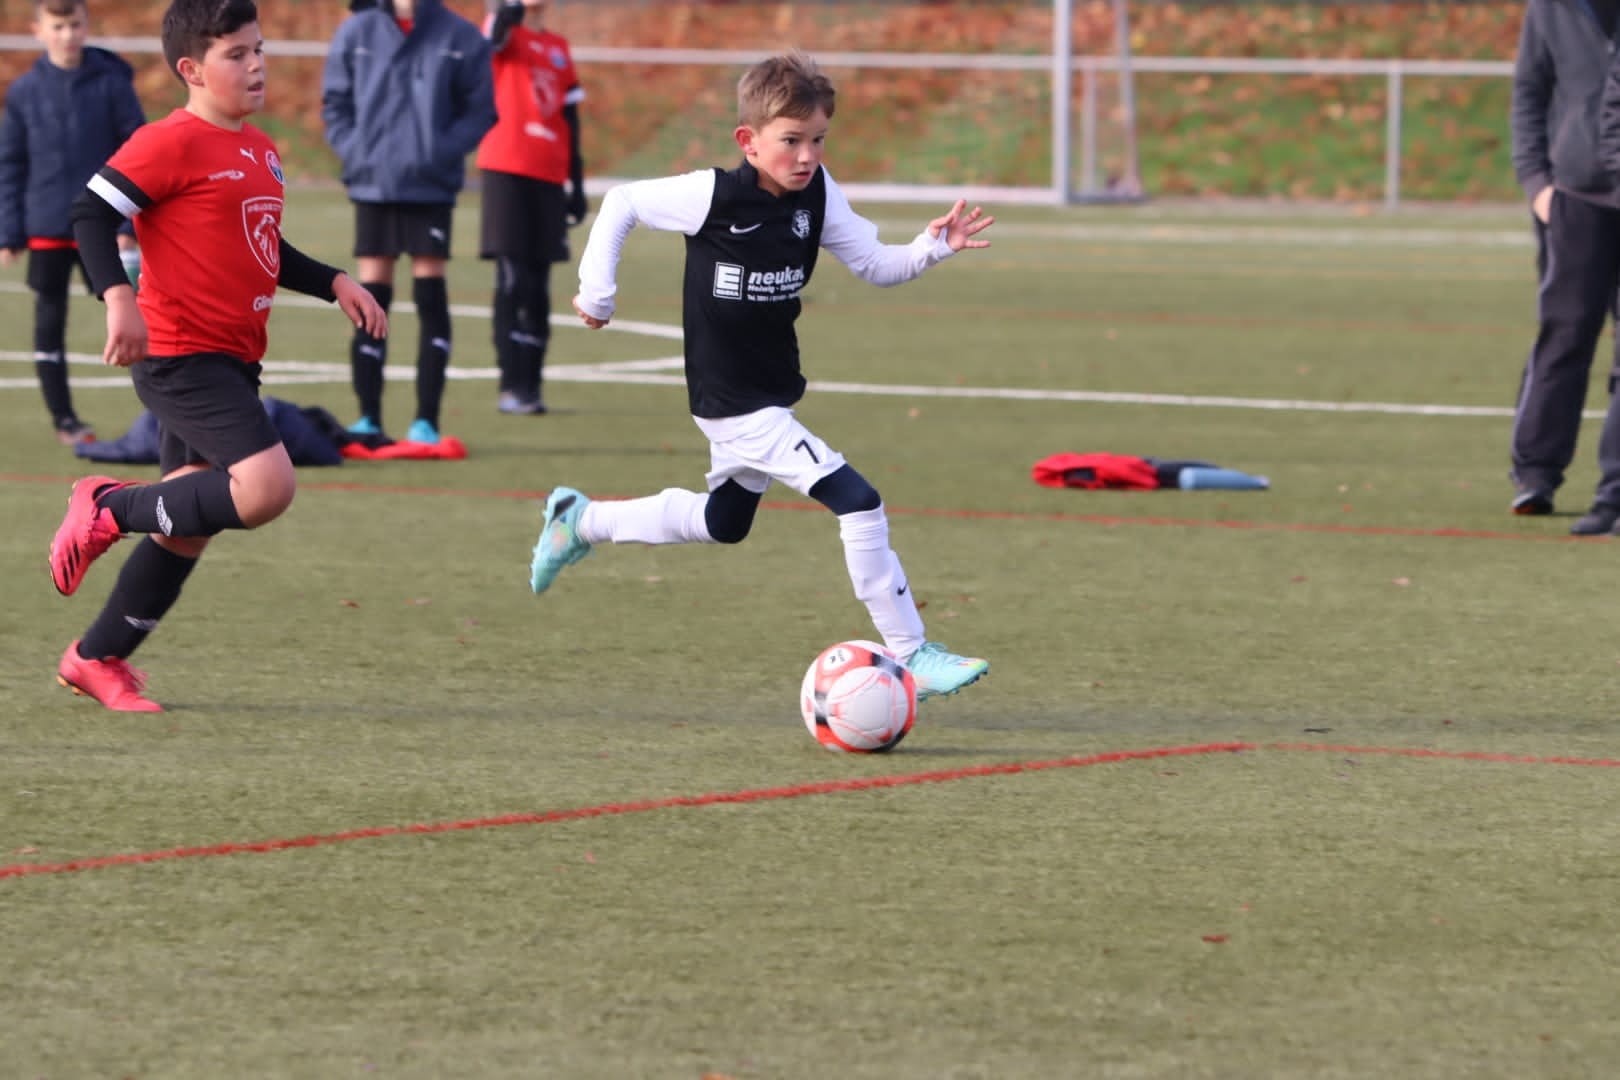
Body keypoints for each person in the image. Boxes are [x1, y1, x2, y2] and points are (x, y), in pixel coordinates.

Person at [530, 50, 992, 702]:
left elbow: (874, 264)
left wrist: (932, 247)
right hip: (733, 401)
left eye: (818, 139)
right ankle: (911, 650)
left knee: (724, 520)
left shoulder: (819, 192)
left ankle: (580, 521)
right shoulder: (713, 195)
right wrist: (596, 292)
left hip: (770, 389)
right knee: (858, 502)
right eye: (791, 141)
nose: (807, 156)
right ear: (748, 141)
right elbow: (622, 201)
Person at [48, 0, 387, 713]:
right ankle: (106, 505)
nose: (256, 64)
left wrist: (334, 281)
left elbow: (260, 247)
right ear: (192, 69)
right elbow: (90, 213)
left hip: (235, 358)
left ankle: (95, 658)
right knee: (266, 487)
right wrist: (118, 298)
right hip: (180, 355)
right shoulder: (168, 141)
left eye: (258, 50)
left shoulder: (259, 149)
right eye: (237, 54)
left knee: (190, 524)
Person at [321, 0, 496, 445]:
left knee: (430, 297)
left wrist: (438, 153)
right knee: (371, 295)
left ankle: (426, 422)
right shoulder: (357, 31)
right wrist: (358, 152)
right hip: (372, 185)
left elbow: (481, 110)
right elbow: (335, 103)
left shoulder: (460, 36)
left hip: (430, 188)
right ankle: (368, 418)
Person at [0, 0, 145, 447]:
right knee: (48, 324)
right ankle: (65, 420)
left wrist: (127, 225)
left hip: (103, 228)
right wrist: (10, 231)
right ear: (38, 30)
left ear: (86, 26)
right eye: (57, 26)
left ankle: (167, 417)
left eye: (74, 25)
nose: (67, 35)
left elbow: (139, 155)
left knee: (143, 317)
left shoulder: (112, 83)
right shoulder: (25, 91)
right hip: (46, 226)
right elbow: (11, 163)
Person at [1508, 0, 1620, 533]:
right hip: (1574, 198)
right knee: (1565, 332)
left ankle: (1613, 491)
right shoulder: (1550, 8)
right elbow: (1529, 92)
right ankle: (1536, 472)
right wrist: (1538, 184)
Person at [477, 0, 587, 417]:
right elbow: (492, 40)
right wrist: (509, 9)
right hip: (506, 168)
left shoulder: (559, 46)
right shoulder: (504, 28)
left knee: (539, 285)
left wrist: (576, 182)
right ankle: (511, 384)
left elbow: (569, 118)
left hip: (549, 174)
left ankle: (532, 386)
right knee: (512, 278)